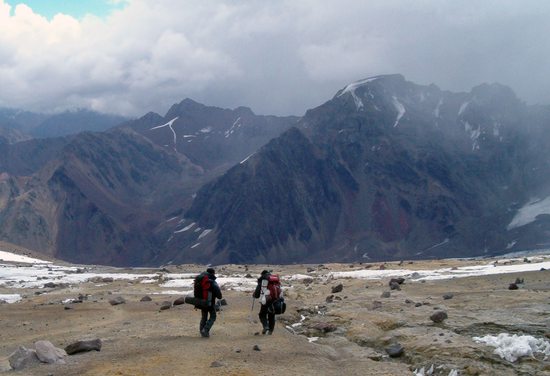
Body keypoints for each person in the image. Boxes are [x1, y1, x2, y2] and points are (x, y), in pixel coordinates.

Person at [252, 270, 282, 335]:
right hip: (275, 300)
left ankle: (266, 326)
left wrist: (254, 295)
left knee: (262, 314)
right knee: (271, 315)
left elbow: (257, 294)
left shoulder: (263, 280)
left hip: (266, 300)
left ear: (262, 274)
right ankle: (270, 331)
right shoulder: (275, 280)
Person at [197, 267, 222, 338]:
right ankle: (205, 330)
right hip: (210, 303)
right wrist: (219, 296)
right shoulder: (212, 281)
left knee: (204, 317)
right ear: (213, 273)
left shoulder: (202, 280)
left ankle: (202, 331)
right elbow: (219, 295)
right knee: (213, 316)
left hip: (201, 302)